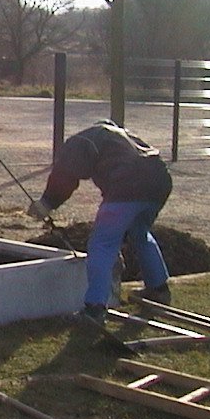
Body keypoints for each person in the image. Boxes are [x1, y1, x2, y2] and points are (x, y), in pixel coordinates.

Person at [26, 120, 173, 326]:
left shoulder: (80, 141)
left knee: (102, 244)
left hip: (126, 186)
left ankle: (94, 309)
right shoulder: (121, 135)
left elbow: (65, 175)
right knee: (139, 232)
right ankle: (159, 289)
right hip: (159, 181)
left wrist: (46, 203)